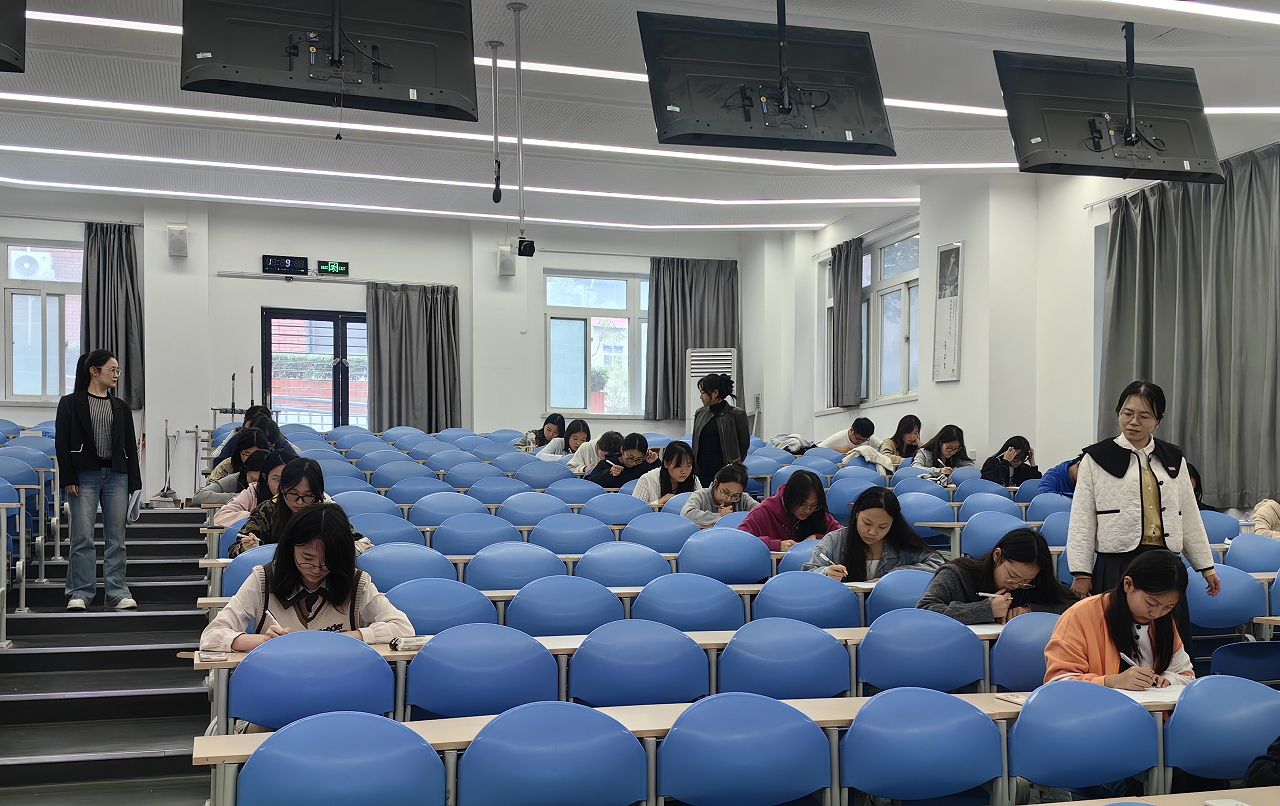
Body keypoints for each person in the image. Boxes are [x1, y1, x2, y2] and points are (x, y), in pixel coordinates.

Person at [1066, 381, 1218, 648]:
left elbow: (1189, 515)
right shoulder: (1096, 458)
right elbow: (1082, 519)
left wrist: (1206, 566)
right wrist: (1081, 572)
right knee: (1116, 641)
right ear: (1118, 413)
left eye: (1144, 416)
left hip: (1164, 562)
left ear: (1158, 420)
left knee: (1166, 640)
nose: (1134, 422)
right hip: (1118, 562)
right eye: (1127, 413)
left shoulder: (1173, 458)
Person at [200, 503, 413, 652]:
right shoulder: (263, 579)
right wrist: (264, 641)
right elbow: (211, 636)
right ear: (290, 548)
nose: (317, 568)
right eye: (307, 558)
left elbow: (403, 628)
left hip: (339, 683)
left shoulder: (357, 583)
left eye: (329, 560)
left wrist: (343, 639)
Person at [55, 350, 142, 611]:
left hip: (117, 475)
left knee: (117, 538)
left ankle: (117, 592)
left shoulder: (121, 407)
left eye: (117, 370)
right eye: (111, 370)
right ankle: (80, 592)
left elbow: (130, 446)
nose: (116, 375)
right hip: (84, 475)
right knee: (82, 536)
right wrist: (68, 477)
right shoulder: (70, 403)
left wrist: (135, 483)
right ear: (94, 371)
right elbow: (62, 443)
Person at [1044, 549, 1194, 688]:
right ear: (1128, 585)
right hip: (1097, 707)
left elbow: (1186, 674)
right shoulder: (1081, 615)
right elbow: (1059, 683)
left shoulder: (1164, 619)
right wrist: (1111, 681)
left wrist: (1169, 679)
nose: (1156, 614)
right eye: (1151, 603)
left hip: (1153, 708)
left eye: (1168, 607)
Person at [917, 529, 1076, 625]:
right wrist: (986, 610)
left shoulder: (1035, 582)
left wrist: (1031, 610)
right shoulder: (956, 574)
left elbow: (1074, 605)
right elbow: (925, 610)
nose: (1016, 585)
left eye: (1026, 581)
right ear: (997, 555)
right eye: (1012, 576)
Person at [232, 458, 370, 558]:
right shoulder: (267, 510)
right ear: (282, 489)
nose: (299, 502)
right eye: (293, 494)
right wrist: (245, 548)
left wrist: (358, 548)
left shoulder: (329, 512)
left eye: (308, 496)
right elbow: (234, 550)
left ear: (318, 494)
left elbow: (356, 541)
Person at [803, 487, 944, 581]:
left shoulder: (900, 541)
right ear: (856, 513)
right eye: (867, 523)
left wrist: (896, 575)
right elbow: (807, 575)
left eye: (883, 527)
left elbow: (938, 565)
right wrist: (826, 572)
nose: (873, 532)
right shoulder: (835, 541)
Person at [739, 470, 841, 552]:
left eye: (814, 505)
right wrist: (777, 545)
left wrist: (819, 538)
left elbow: (843, 536)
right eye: (802, 504)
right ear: (789, 497)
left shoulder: (817, 513)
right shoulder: (763, 512)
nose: (807, 510)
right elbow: (740, 541)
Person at [690, 373, 751, 487]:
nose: (701, 397)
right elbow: (696, 443)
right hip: (702, 470)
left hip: (726, 471)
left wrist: (734, 464)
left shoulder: (736, 414)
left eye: (703, 393)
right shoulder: (700, 413)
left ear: (715, 393)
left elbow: (744, 444)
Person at [216, 451, 286, 529]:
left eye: (287, 479)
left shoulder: (297, 495)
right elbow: (221, 517)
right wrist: (258, 517)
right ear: (265, 477)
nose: (281, 486)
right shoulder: (254, 491)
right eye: (276, 479)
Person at [681, 463, 758, 527]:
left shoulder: (743, 498)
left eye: (735, 496)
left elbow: (762, 513)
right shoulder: (701, 496)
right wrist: (719, 516)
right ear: (715, 482)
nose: (728, 499)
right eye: (725, 492)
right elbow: (686, 514)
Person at [195, 441, 266, 507]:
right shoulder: (236, 479)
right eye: (253, 479)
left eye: (262, 481)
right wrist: (241, 497)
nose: (255, 485)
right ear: (245, 471)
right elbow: (199, 496)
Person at [633, 440, 701, 507]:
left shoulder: (694, 480)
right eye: (678, 466)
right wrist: (659, 503)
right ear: (666, 464)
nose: (684, 471)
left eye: (688, 465)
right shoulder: (647, 480)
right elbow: (635, 508)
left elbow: (703, 505)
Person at [214, 414, 296, 464]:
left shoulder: (276, 439)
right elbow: (219, 462)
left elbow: (296, 462)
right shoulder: (240, 438)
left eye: (270, 448)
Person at [584, 433, 659, 487]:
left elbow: (661, 481)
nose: (633, 463)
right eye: (630, 458)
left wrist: (655, 463)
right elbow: (588, 484)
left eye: (638, 459)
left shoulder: (644, 465)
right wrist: (608, 474)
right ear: (622, 449)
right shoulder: (608, 463)